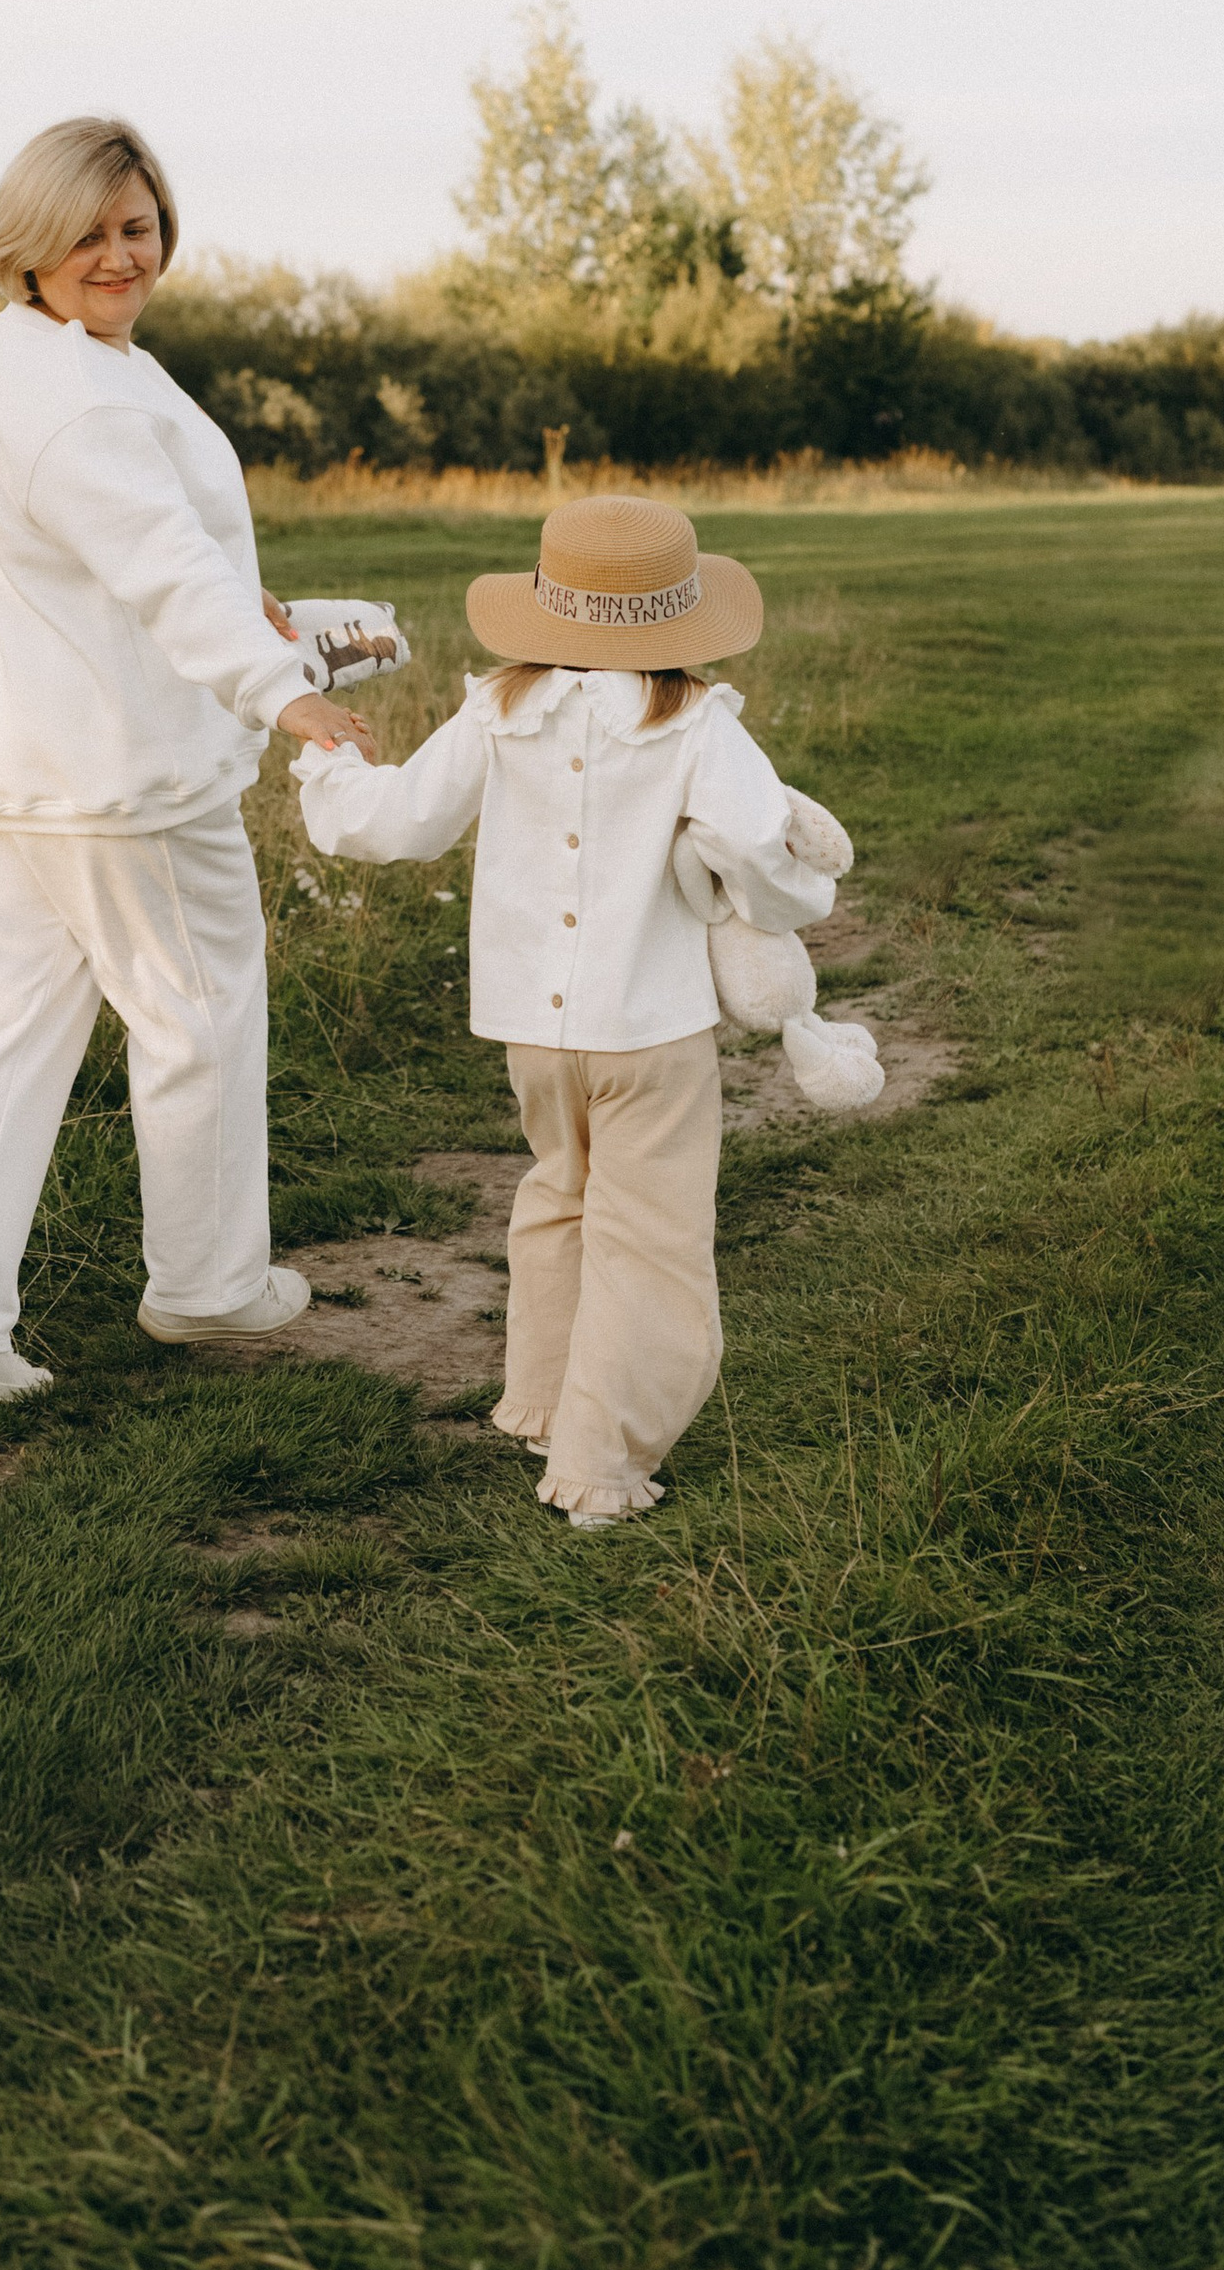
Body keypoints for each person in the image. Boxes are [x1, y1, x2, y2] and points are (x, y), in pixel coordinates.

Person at [0, 116, 378, 1402]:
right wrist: (288, 696)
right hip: (114, 781)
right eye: (88, 234)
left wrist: (265, 619)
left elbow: (147, 564)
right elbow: (163, 569)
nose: (119, 255)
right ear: (29, 252)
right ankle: (209, 1287)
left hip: (8, 772)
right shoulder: (74, 396)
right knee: (200, 1011)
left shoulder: (64, 362)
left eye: (137, 225)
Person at [294, 495, 839, 1523]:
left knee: (560, 1191)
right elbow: (761, 855)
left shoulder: (499, 709)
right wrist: (775, 901)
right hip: (651, 1030)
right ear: (681, 622)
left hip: (532, 1033)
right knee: (650, 1237)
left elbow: (397, 821)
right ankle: (599, 1465)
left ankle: (544, 1401)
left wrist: (327, 765)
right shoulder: (696, 725)